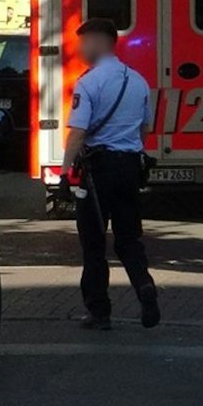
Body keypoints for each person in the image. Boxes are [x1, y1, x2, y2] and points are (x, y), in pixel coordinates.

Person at [60, 18, 160, 331]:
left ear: (98, 42)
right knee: (129, 238)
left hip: (97, 171)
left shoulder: (89, 83)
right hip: (129, 168)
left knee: (93, 243)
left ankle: (99, 311)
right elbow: (145, 128)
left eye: (83, 42)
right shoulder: (138, 81)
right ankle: (144, 285)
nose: (80, 49)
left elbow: (78, 132)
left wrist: (64, 173)